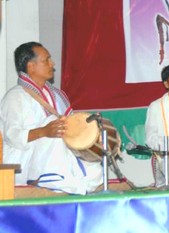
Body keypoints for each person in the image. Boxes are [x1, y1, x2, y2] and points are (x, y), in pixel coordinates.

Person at [0, 42, 103, 194]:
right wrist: (44, 131)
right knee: (54, 123)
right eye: (46, 60)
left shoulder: (57, 95)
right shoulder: (15, 96)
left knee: (78, 137)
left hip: (56, 153)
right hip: (23, 162)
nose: (52, 63)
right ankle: (51, 179)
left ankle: (81, 181)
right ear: (31, 66)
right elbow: (12, 136)